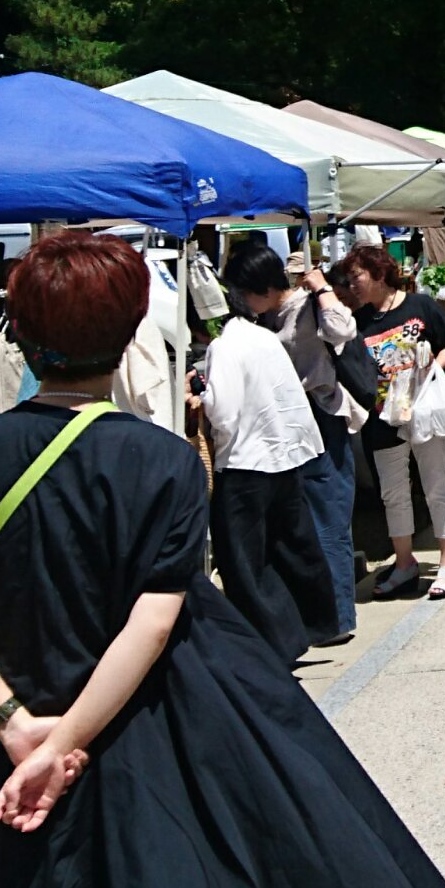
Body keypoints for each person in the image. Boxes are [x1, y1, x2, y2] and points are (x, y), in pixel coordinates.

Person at [0, 231, 445, 888]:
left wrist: (20, 730)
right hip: (142, 727)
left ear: (19, 334)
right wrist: (67, 742)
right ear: (129, 336)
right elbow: (151, 626)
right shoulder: (158, 460)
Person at [197, 252, 342, 663]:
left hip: (245, 463)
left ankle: (275, 643)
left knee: (245, 561)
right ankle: (304, 628)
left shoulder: (228, 346)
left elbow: (223, 411)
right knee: (289, 547)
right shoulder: (265, 339)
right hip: (285, 456)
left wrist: (203, 405)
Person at [223, 242, 364, 644]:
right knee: (295, 524)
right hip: (279, 419)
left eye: (243, 291)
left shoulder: (306, 305)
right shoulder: (260, 320)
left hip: (319, 414)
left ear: (261, 286)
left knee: (328, 518)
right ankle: (308, 617)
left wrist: (322, 288)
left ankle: (337, 617)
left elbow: (343, 330)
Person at [341, 244, 445, 600]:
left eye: (357, 277)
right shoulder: (358, 322)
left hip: (423, 409)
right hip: (382, 417)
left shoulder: (419, 305)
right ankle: (403, 562)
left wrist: (428, 372)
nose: (352, 286)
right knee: (393, 494)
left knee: (436, 484)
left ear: (379, 274)